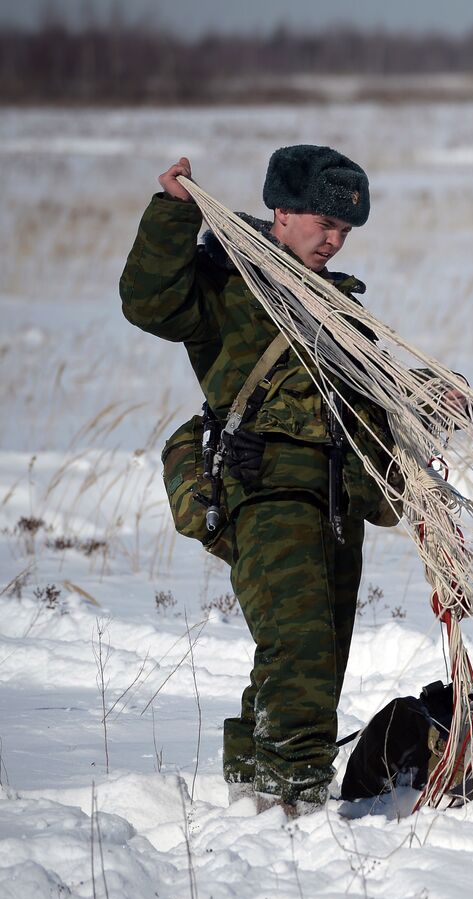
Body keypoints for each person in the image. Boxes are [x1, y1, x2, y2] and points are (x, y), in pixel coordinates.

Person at [120, 145, 401, 815]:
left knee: (313, 657)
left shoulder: (341, 309)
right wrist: (172, 213)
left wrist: (427, 399)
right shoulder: (226, 279)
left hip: (336, 500)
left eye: (345, 231)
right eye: (323, 224)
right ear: (282, 212)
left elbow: (367, 401)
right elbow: (149, 303)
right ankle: (292, 808)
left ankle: (250, 788)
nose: (334, 241)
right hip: (266, 492)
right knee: (300, 652)